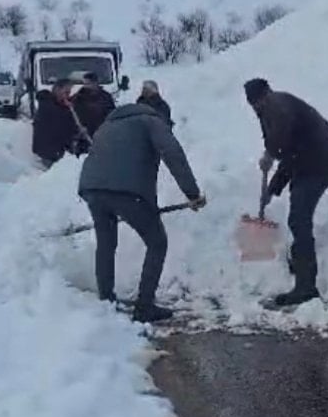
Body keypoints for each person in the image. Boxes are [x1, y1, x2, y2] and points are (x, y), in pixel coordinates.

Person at [77, 103, 207, 323]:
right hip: (128, 192)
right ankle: (144, 306)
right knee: (157, 243)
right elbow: (172, 153)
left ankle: (106, 301)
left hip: (92, 188)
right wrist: (192, 194)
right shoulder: (152, 121)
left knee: (106, 244)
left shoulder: (107, 126)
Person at [245, 78, 328, 308]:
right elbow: (283, 147)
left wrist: (271, 169)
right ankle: (300, 259)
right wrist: (271, 169)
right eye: (253, 105)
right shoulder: (267, 109)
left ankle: (306, 286)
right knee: (298, 217)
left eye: (259, 102)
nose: (257, 107)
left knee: (299, 218)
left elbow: (286, 149)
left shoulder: (279, 109)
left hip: (321, 163)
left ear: (267, 93)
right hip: (305, 161)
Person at [32, 78, 81, 166]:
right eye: (66, 92)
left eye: (69, 93)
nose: (68, 95)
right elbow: (60, 122)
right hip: (50, 150)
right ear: (57, 89)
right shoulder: (46, 103)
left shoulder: (60, 104)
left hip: (59, 149)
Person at [72, 72, 116, 141]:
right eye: (84, 83)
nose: (85, 86)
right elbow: (73, 113)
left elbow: (111, 112)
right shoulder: (78, 97)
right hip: (84, 132)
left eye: (88, 83)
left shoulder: (105, 96)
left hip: (102, 130)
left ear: (95, 83)